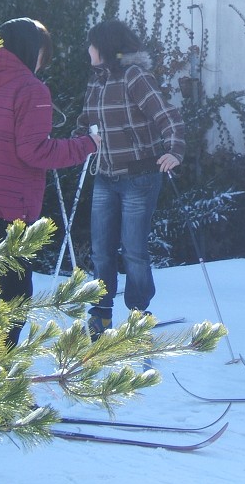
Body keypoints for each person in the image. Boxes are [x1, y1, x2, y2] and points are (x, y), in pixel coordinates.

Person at [0, 17, 101, 347]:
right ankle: (1, 393)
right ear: (32, 50)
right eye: (43, 56)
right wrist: (87, 145)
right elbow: (35, 152)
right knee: (13, 303)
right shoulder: (31, 89)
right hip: (9, 209)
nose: (43, 64)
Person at [74, 19, 185, 341]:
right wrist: (71, 145)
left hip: (140, 177)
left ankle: (138, 313)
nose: (88, 50)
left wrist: (175, 150)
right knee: (100, 251)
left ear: (105, 47)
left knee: (134, 249)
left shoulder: (135, 77)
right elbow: (85, 122)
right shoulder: (95, 82)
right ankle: (101, 315)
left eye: (92, 44)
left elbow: (168, 116)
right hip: (105, 177)